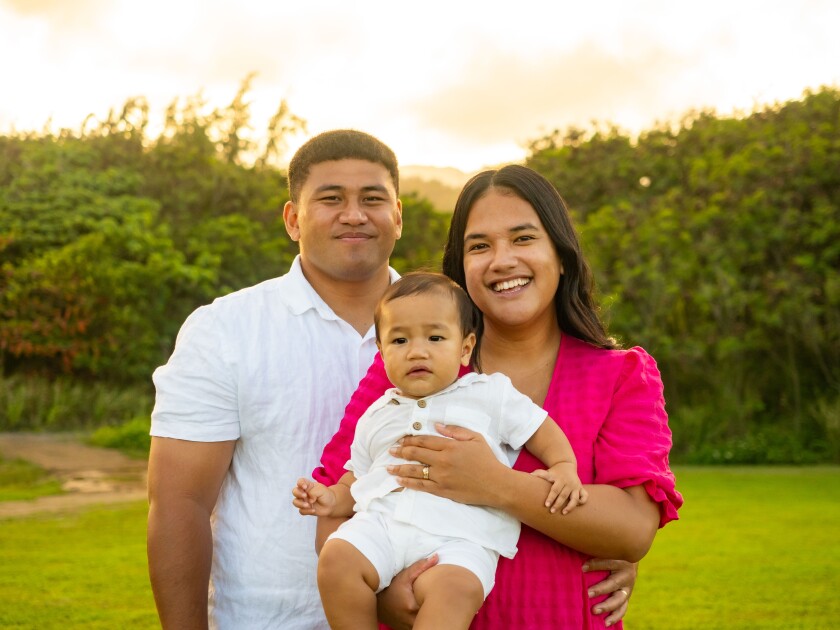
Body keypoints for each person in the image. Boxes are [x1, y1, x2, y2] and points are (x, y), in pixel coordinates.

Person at [147, 127, 638, 629]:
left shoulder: (449, 324)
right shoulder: (227, 330)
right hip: (273, 617)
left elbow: (608, 499)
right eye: (331, 198)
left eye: (373, 198)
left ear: (398, 216)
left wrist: (595, 544)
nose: (354, 214)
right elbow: (180, 502)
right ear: (292, 218)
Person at [314, 164, 684, 629]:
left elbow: (631, 529)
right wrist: (385, 596)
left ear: (562, 254)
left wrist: (494, 484)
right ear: (460, 269)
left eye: (524, 238)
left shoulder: (619, 375)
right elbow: (339, 503)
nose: (502, 260)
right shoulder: (407, 374)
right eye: (480, 246)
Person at [294, 272, 587, 629]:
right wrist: (330, 498)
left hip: (458, 539)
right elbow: (357, 480)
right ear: (383, 352)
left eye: (435, 337)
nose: (417, 350)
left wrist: (563, 465)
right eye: (400, 340)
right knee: (336, 558)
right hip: (385, 526)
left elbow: (539, 428)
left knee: (454, 589)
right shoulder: (377, 413)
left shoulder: (487, 394)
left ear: (465, 348)